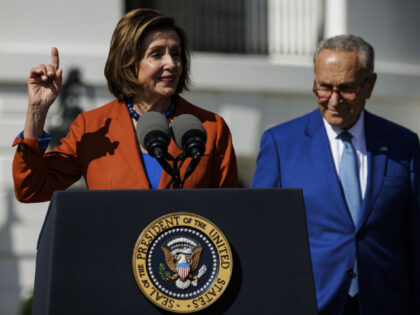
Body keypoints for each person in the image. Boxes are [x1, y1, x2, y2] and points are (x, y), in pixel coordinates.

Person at [252, 34, 420, 315]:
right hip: (310, 303)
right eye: (324, 87)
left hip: (386, 303)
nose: (333, 99)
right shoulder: (281, 144)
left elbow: (414, 236)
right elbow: (261, 235)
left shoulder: (404, 144)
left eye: (346, 89)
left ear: (370, 85)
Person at [12, 8, 238, 203]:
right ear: (129, 62)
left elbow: (231, 210)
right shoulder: (92, 127)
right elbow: (32, 189)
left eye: (176, 54)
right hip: (117, 253)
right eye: (157, 54)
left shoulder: (210, 128)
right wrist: (37, 111)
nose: (171, 63)